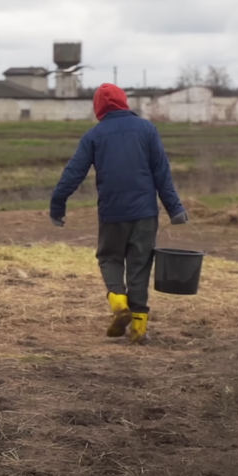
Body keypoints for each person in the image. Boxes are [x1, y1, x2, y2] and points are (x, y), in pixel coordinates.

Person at [49, 82, 188, 345]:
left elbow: (73, 173)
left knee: (109, 258)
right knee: (140, 264)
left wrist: (58, 205)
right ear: (125, 102)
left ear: (98, 107)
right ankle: (138, 327)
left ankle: (118, 302)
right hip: (146, 213)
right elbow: (162, 172)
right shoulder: (147, 129)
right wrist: (175, 208)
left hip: (112, 212)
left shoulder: (94, 135)